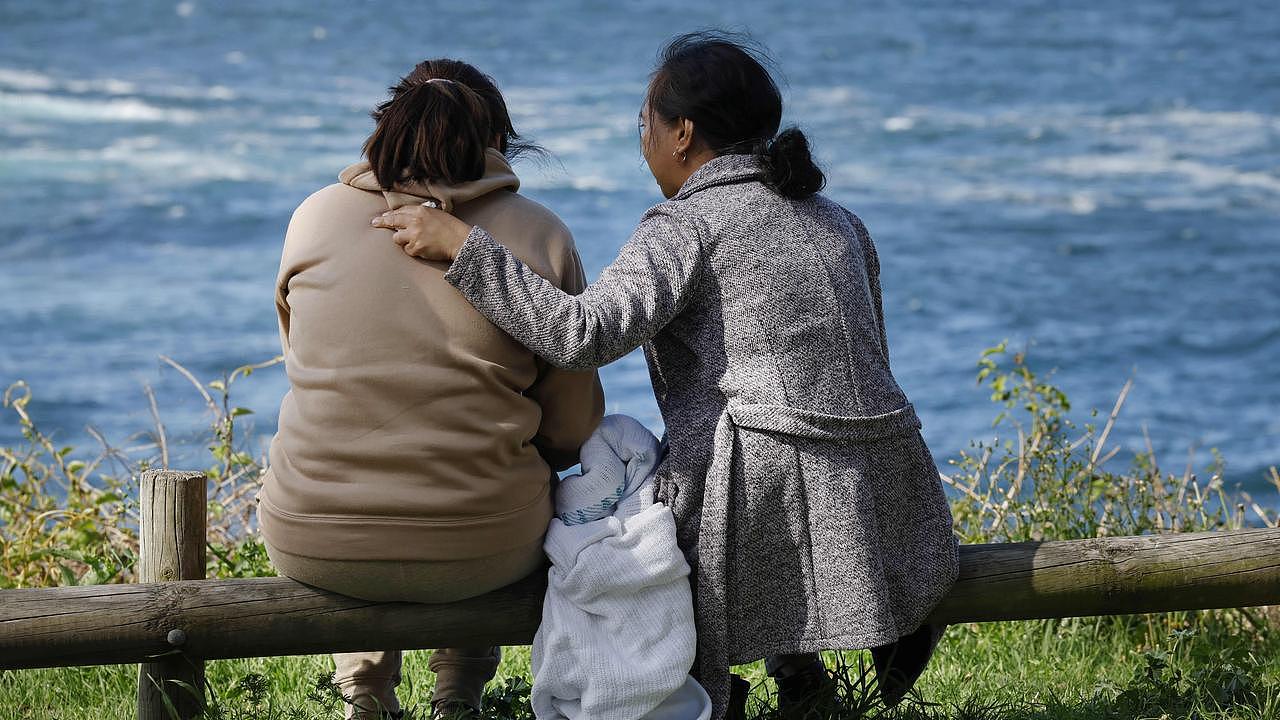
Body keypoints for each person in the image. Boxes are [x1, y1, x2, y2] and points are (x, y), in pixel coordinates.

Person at [375, 32, 960, 720]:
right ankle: (798, 675)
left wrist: (466, 250)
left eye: (645, 124)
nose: (642, 141)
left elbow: (581, 334)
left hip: (761, 497)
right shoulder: (839, 221)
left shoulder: (687, 226)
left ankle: (698, 692)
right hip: (891, 495)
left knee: (618, 491)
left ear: (682, 134)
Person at [257, 59, 604, 720]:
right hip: (485, 548)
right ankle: (458, 696)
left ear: (388, 126)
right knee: (493, 471)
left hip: (313, 540)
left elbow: (307, 372)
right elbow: (571, 432)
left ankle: (364, 693)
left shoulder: (311, 218)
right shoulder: (543, 233)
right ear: (497, 142)